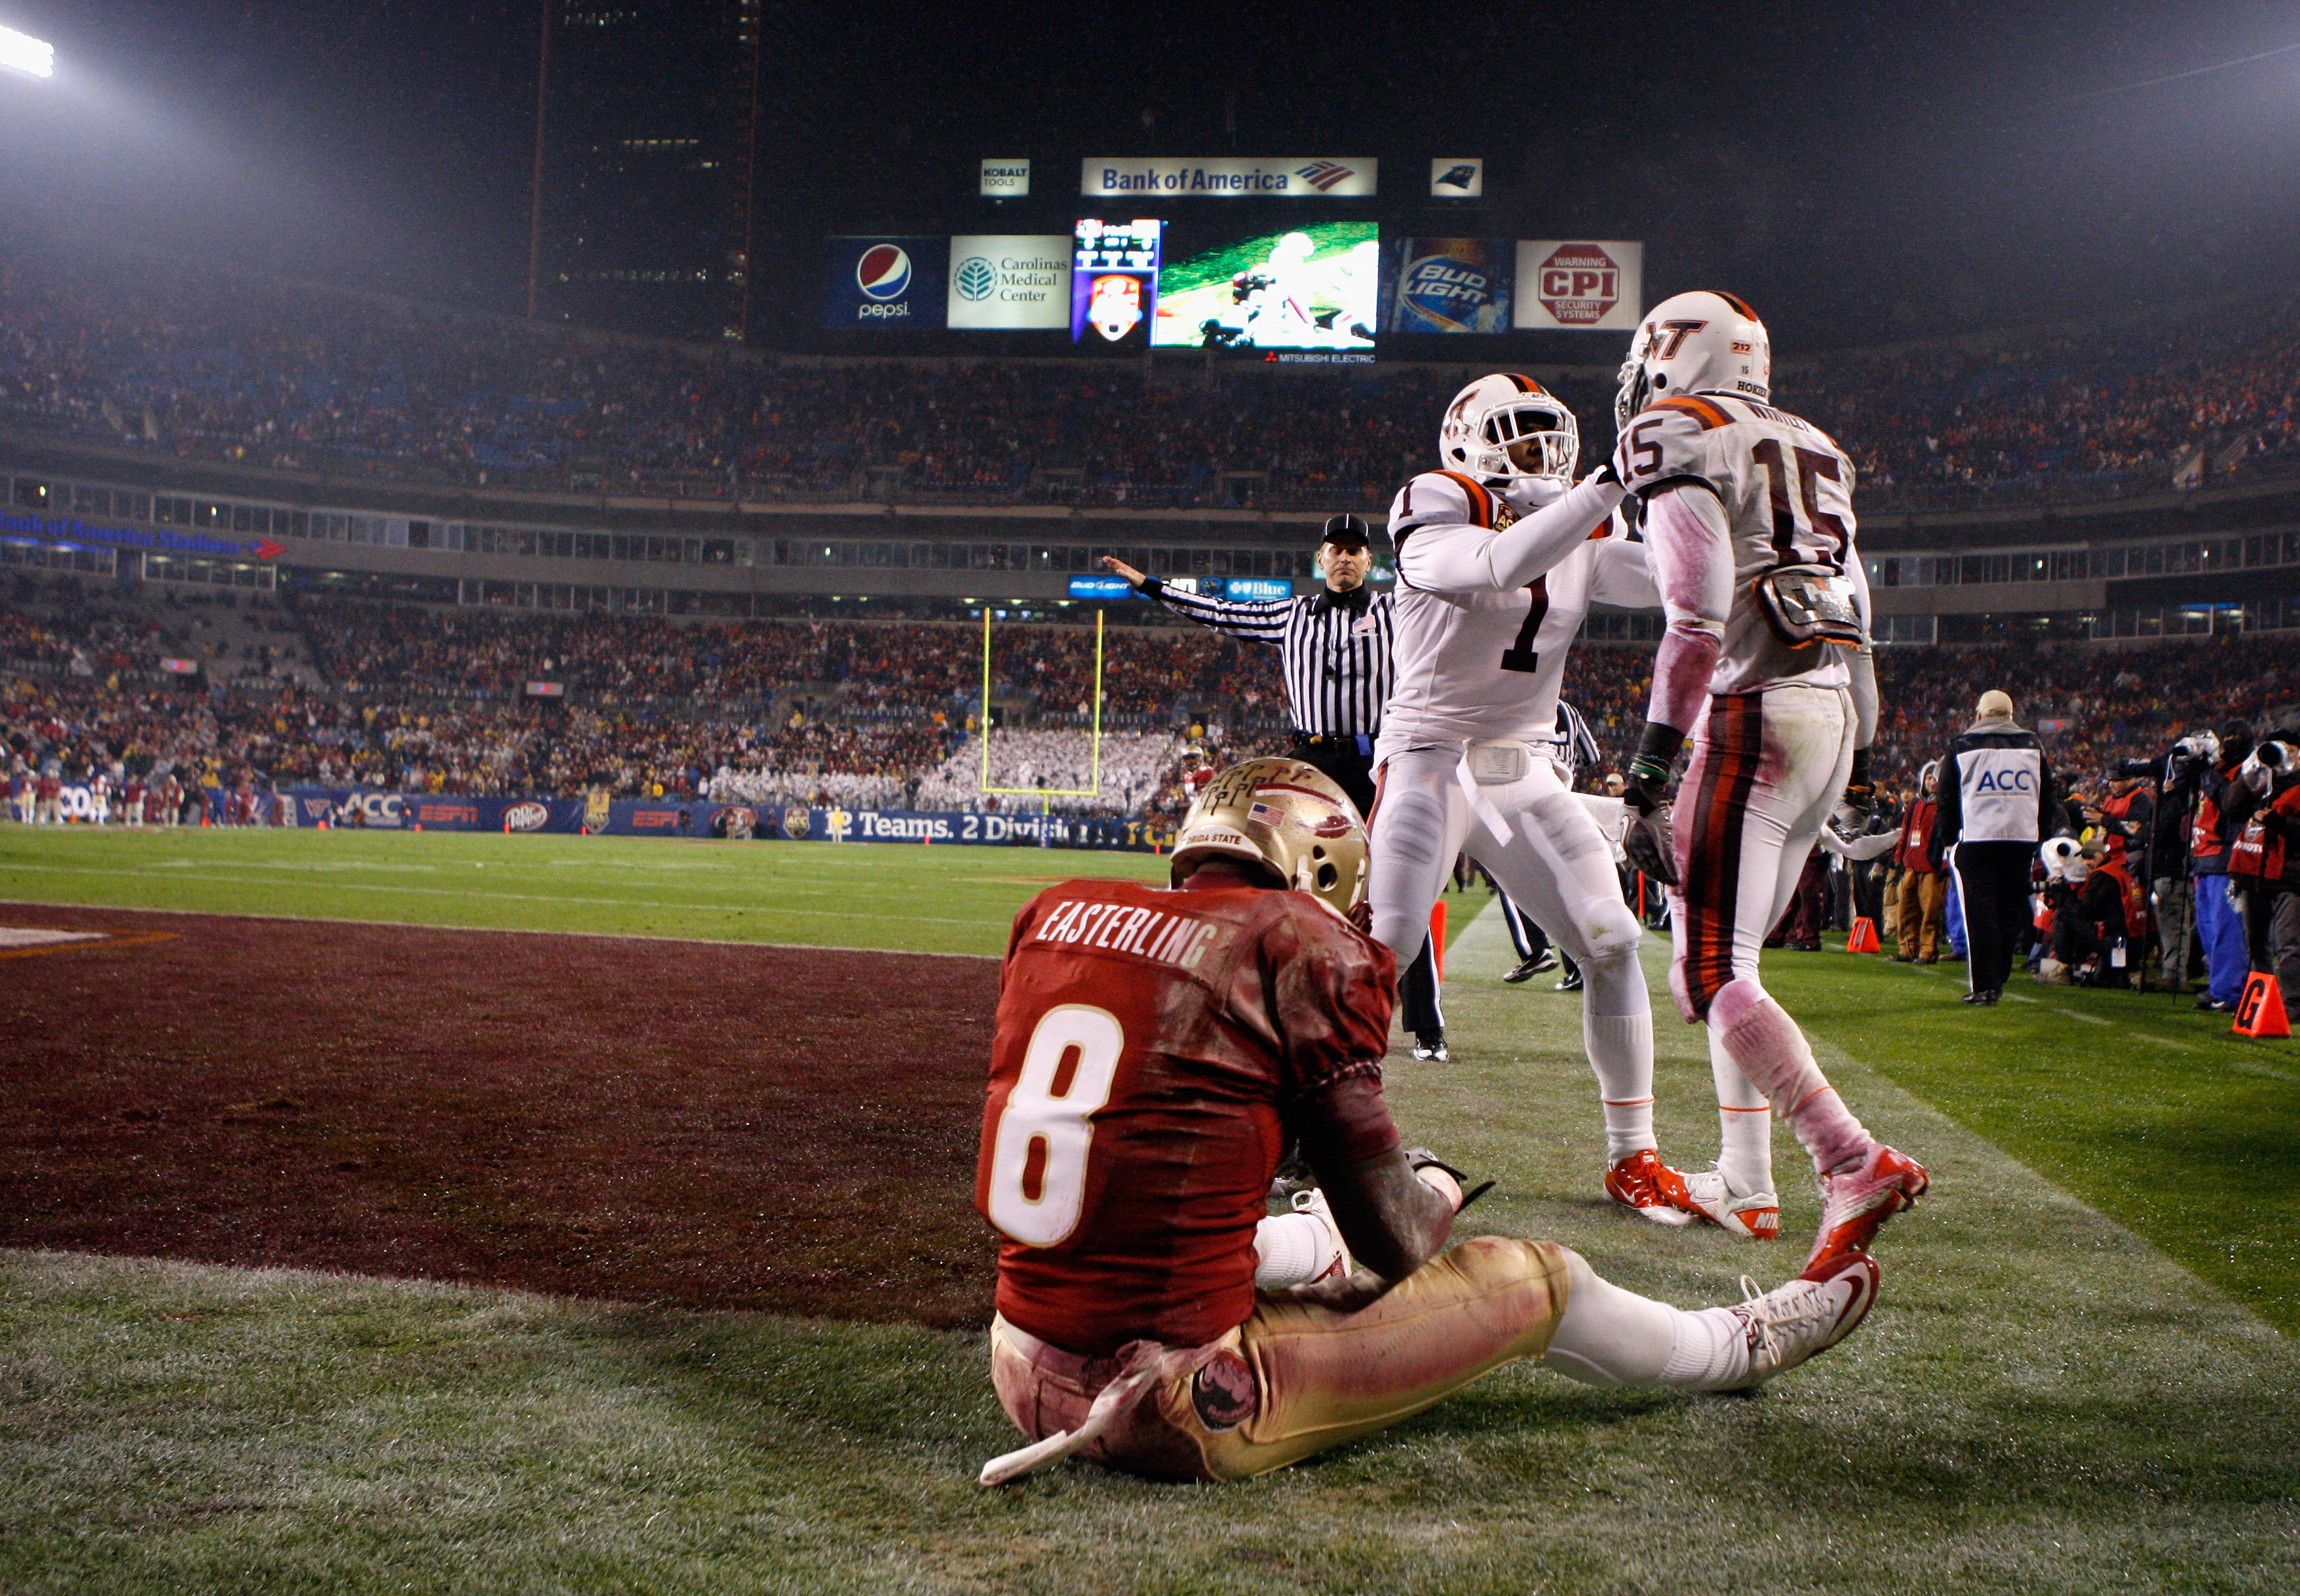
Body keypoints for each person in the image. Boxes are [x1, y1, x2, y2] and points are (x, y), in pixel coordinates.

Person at [973, 757, 1881, 1487]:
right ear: (1318, 862)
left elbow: (1163, 1155)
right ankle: (1736, 1344)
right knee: (1529, 1278)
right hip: (1177, 1402)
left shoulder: (1055, 916)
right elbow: (1400, 1243)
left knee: (1199, 1215)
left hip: (1019, 1359)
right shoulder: (1297, 942)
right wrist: (1437, 1187)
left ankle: (1302, 1252)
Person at [1611, 289, 1929, 1268]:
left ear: (1667, 355)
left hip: (1753, 716)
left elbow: (1697, 622)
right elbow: (1860, 616)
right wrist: (1864, 759)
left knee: (1707, 972)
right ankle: (1746, 1187)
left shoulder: (1676, 433)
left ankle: (1847, 1160)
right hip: (1830, 713)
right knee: (1731, 964)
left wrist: (1647, 776)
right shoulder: (1813, 442)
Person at [1369, 372, 1693, 1225]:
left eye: (1551, 434)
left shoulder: (1581, 526)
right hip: (1428, 755)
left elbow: (1673, 579)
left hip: (1520, 764)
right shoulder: (1434, 502)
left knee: (1611, 939)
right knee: (1388, 942)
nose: (1540, 452)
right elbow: (1498, 560)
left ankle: (1634, 1157)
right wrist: (1610, 483)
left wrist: (1719, 513)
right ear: (1467, 441)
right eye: (1517, 434)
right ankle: (1318, 1130)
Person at [1101, 517, 1447, 1060]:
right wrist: (1150, 586)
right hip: (1308, 762)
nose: (1346, 559)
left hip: (1378, 759)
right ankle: (1275, 1005)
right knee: (1281, 876)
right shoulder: (1293, 615)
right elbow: (1218, 612)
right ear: (1322, 557)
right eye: (1337, 550)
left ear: (1368, 561)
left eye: (1357, 551)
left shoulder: (1394, 612)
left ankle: (1427, 1028)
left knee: (1401, 884)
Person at [1931, 690, 2058, 1006]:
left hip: (1975, 839)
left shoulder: (1962, 746)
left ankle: (1985, 986)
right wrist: (2039, 834)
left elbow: (1946, 799)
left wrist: (1948, 839)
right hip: (2020, 839)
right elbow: (2047, 795)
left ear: (1979, 716)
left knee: (1980, 914)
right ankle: (2000, 976)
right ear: (2011, 715)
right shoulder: (2032, 745)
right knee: (2010, 912)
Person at [2188, 721, 2255, 1014]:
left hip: (2225, 858)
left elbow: (2232, 804)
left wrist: (2208, 773)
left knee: (2226, 929)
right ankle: (2219, 986)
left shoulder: (2247, 770)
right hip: (2204, 859)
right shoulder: (2214, 771)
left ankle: (2230, 992)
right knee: (2208, 928)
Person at [1892, 762, 1946, 963]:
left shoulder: (1947, 804)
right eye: (1930, 778)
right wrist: (1900, 856)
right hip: (1911, 864)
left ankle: (1927, 951)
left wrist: (1944, 864)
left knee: (1930, 912)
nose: (1933, 782)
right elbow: (1905, 831)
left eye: (1936, 779)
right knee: (1905, 909)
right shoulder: (1916, 803)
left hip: (1932, 866)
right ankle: (1907, 949)